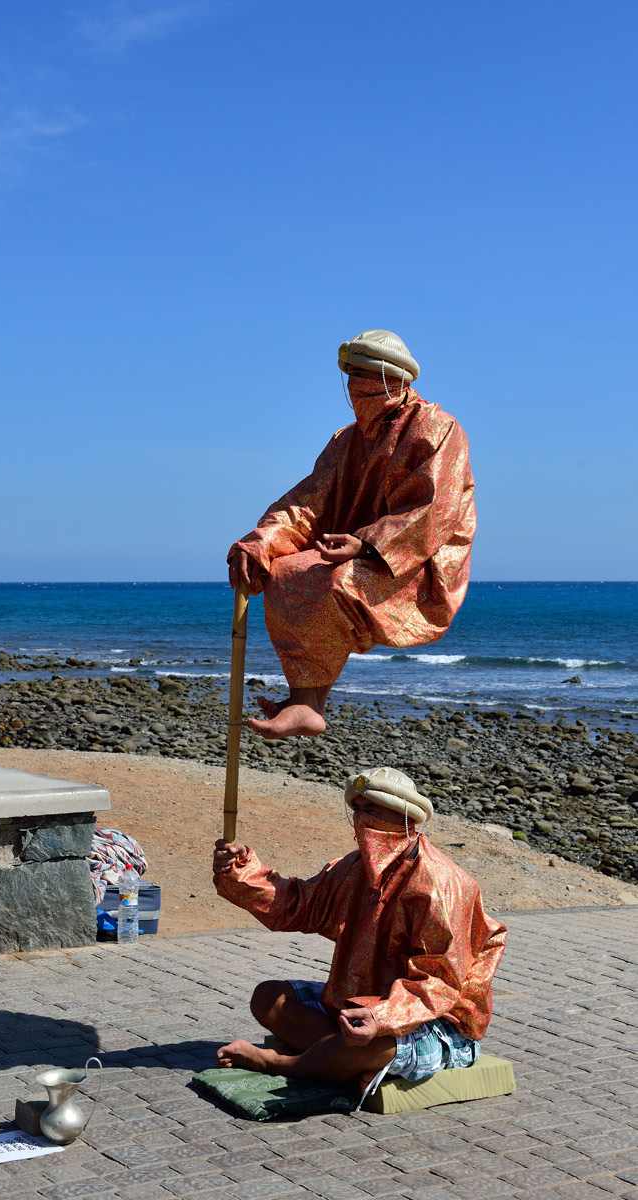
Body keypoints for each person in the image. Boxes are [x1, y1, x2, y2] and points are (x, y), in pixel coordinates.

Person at [228, 329, 475, 739]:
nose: (355, 386)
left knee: (334, 580)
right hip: (357, 551)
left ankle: (307, 701)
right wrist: (261, 543)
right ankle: (306, 701)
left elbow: (434, 507)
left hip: (416, 561)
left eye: (365, 376)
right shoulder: (346, 442)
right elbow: (308, 502)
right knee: (287, 572)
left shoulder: (438, 429)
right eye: (350, 375)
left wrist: (367, 544)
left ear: (393, 379)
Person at [212, 767, 506, 1097]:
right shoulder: (351, 869)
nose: (361, 821)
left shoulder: (442, 885)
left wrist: (381, 1017)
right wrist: (240, 871)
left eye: (372, 811)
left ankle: (277, 1063)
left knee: (373, 1047)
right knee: (268, 998)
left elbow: (440, 984)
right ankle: (342, 1061)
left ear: (406, 819)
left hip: (435, 1017)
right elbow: (297, 905)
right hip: (358, 1002)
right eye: (358, 810)